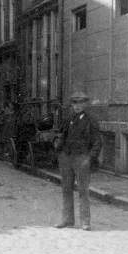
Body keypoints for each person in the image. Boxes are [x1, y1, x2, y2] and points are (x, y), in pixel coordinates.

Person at [54, 91, 103, 231]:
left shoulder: (91, 121)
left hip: (82, 158)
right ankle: (67, 220)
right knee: (66, 189)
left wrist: (89, 158)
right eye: (74, 103)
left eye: (80, 103)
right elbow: (62, 135)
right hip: (66, 158)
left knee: (83, 190)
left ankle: (85, 221)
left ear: (85, 104)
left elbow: (98, 142)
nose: (77, 106)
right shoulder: (68, 119)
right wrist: (59, 150)